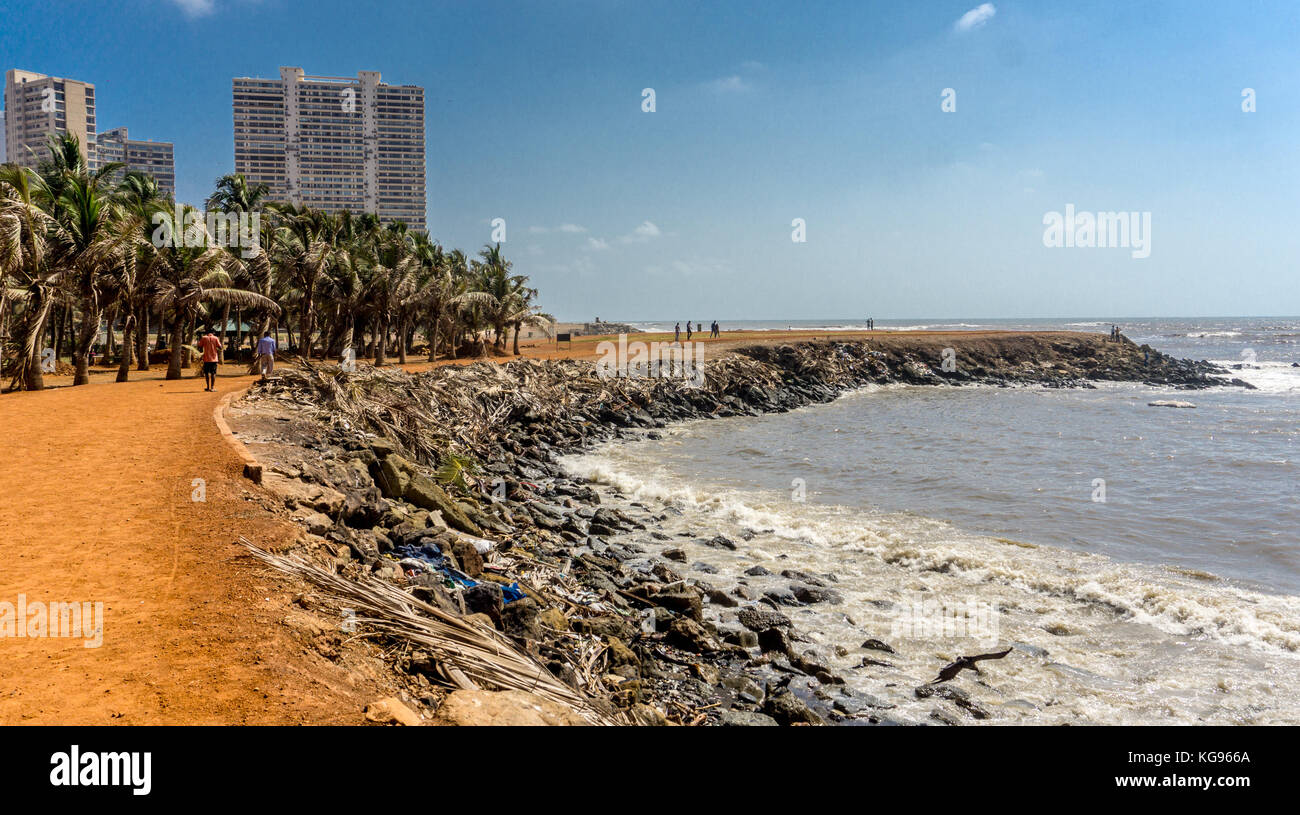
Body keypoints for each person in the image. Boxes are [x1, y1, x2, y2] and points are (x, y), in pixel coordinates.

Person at [198, 327, 222, 392]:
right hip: (214, 359)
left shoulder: (204, 338)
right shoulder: (216, 338)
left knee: (206, 373)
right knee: (213, 373)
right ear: (213, 333)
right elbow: (220, 347)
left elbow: (199, 345)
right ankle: (212, 387)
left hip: (206, 359)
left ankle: (208, 387)